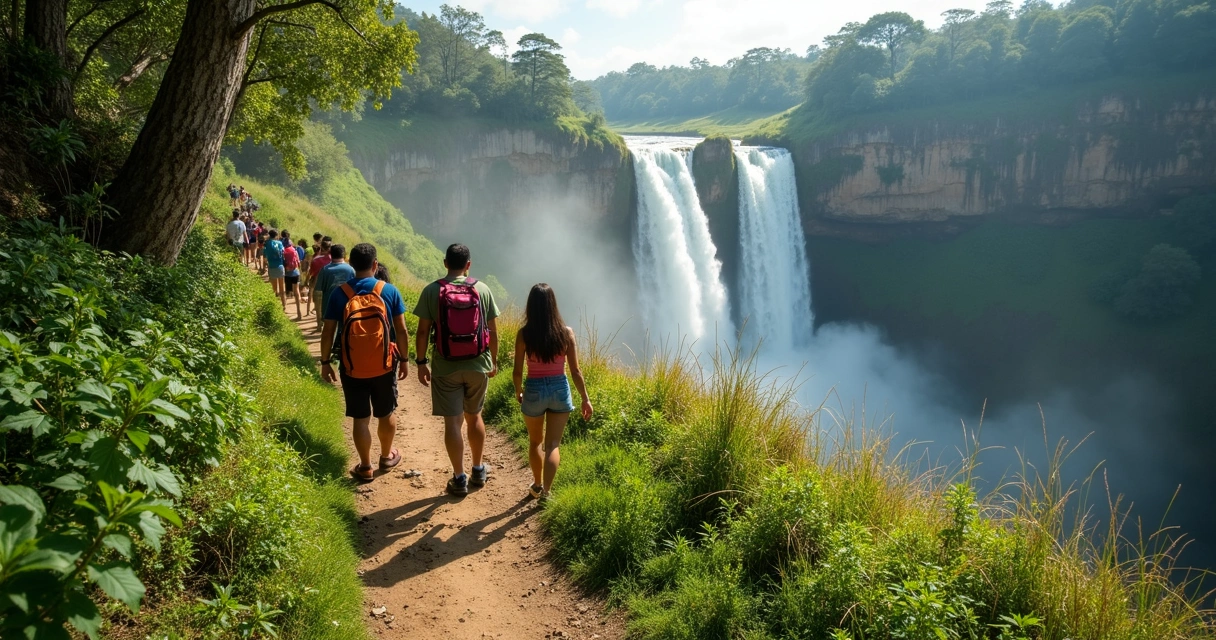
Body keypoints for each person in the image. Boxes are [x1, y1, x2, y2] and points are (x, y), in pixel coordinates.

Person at [413, 243, 500, 497]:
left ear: (445, 263)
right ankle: (478, 469)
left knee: (452, 422)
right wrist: (493, 361)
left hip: (445, 366)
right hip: (478, 364)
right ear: (468, 265)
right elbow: (493, 331)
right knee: (475, 416)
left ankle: (459, 478)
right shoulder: (482, 289)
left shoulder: (432, 291)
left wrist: (421, 362)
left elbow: (422, 332)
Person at [320, 243, 410, 482]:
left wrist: (325, 362)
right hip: (384, 365)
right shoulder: (389, 291)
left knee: (361, 418)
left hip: (352, 367)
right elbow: (402, 330)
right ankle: (386, 456)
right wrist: (404, 359)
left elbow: (328, 332)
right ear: (375, 264)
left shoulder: (340, 293)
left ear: (351, 264)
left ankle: (366, 466)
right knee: (386, 412)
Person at [512, 284, 593, 500]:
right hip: (559, 389)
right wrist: (585, 399)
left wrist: (519, 391)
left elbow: (517, 371)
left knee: (535, 442)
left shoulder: (524, 334)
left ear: (530, 306)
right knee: (553, 445)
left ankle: (537, 485)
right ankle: (547, 493)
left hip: (534, 389)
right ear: (553, 305)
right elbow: (575, 371)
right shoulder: (566, 333)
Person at [314, 244, 355, 333]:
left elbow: (318, 290)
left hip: (328, 306)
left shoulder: (325, 270)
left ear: (331, 254)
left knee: (329, 332)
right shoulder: (351, 270)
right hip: (347, 306)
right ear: (344, 254)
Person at [308, 239, 333, 324]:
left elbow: (311, 273)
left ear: (321, 247)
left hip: (317, 285)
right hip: (330, 286)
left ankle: (319, 325)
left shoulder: (316, 259)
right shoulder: (333, 259)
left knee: (318, 308)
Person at [263, 229, 287, 310]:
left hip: (272, 266)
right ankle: (284, 305)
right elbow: (283, 253)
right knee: (282, 288)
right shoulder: (279, 243)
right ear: (276, 235)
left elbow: (265, 257)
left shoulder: (267, 243)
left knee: (274, 289)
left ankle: (274, 307)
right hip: (280, 266)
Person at [282, 238, 304, 319]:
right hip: (296, 273)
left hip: (287, 274)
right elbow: (298, 262)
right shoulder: (294, 250)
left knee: (287, 292)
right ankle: (299, 313)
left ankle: (283, 309)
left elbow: (283, 262)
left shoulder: (283, 251)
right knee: (296, 292)